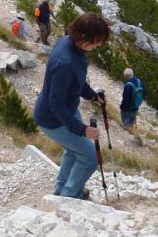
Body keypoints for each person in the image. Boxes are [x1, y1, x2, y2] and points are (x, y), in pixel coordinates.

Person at [33, 12, 113, 199]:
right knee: (91, 157)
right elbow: (56, 104)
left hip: (67, 110)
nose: (99, 45)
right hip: (53, 119)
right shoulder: (65, 63)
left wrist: (92, 95)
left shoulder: (71, 43)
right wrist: (82, 130)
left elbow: (77, 81)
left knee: (74, 150)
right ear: (83, 37)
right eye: (97, 41)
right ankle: (69, 196)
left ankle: (61, 189)